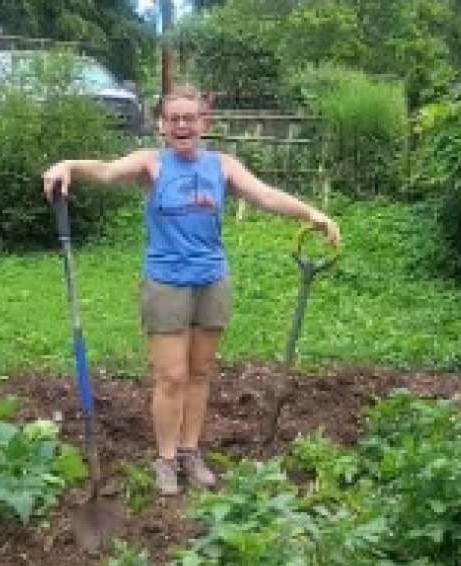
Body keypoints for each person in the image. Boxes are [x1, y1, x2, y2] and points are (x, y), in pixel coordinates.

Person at [42, 84, 341, 496]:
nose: (182, 125)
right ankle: (165, 460)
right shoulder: (152, 164)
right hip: (166, 283)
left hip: (212, 280)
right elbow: (108, 171)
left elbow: (266, 196)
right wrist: (68, 166)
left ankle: (189, 451)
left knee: (200, 373)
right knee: (171, 377)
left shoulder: (222, 166)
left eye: (190, 117)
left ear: (204, 123)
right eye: (173, 119)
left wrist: (313, 213)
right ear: (162, 126)